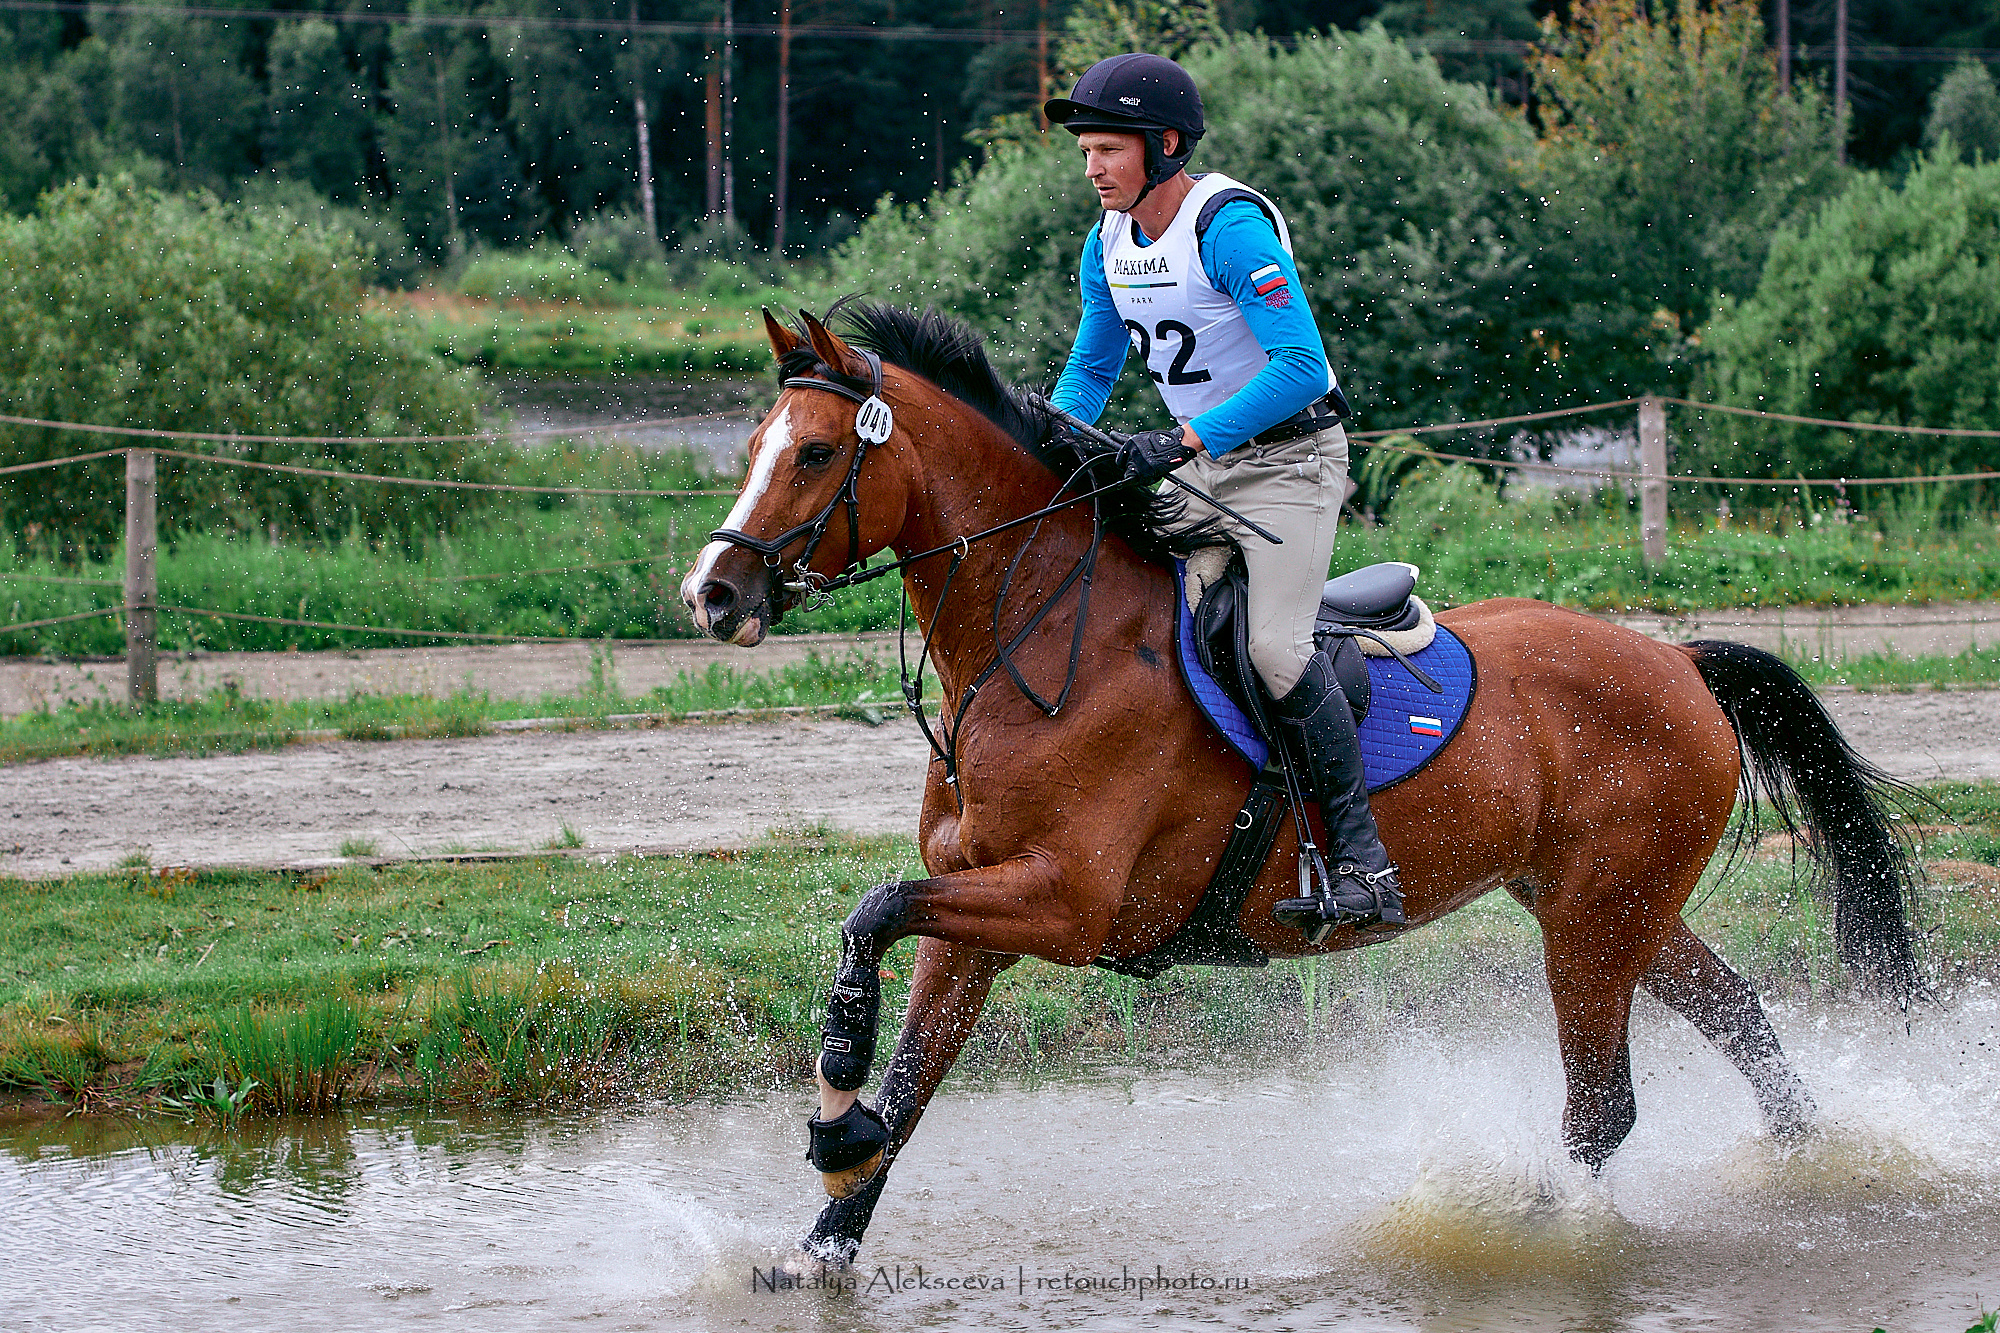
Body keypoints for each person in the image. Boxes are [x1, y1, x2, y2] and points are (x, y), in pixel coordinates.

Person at [1044, 52, 1403, 932]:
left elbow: (1300, 366)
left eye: (1107, 150)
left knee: (1277, 650)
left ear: (1164, 146)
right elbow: (1090, 374)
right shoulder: (1108, 242)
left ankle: (1364, 862)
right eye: (1086, 150)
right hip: (1200, 471)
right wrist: (1046, 453)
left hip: (1290, 467)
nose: (1091, 167)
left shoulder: (1226, 228)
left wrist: (1181, 437)